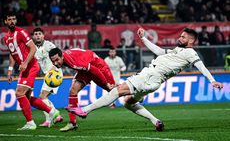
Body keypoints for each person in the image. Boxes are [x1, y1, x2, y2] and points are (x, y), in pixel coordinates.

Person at [65, 28, 224, 131]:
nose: (180, 37)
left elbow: (201, 66)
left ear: (191, 41)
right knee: (128, 102)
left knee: (117, 91)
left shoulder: (191, 53)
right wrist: (144, 39)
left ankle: (84, 111)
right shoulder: (178, 50)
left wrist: (212, 81)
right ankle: (156, 121)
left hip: (151, 75)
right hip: (154, 82)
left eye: (183, 37)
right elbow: (160, 51)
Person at [3, 12, 59, 130]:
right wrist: (10, 69)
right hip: (25, 68)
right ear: (5, 22)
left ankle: (30, 123)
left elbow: (33, 48)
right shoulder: (6, 37)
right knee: (26, 97)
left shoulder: (21, 32)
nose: (12, 21)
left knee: (19, 93)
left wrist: (25, 63)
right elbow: (12, 54)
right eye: (10, 19)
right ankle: (52, 112)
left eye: (14, 19)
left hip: (31, 66)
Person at [48, 47, 115, 132]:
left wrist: (106, 84)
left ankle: (133, 97)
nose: (56, 63)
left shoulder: (73, 62)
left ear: (62, 56)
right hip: (86, 70)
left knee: (114, 91)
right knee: (73, 91)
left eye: (57, 60)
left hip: (99, 67)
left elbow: (95, 70)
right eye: (53, 61)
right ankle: (72, 123)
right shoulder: (64, 59)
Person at [32, 27, 63, 127]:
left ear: (43, 36)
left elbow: (58, 58)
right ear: (33, 36)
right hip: (48, 75)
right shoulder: (34, 48)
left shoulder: (49, 45)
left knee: (42, 97)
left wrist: (52, 70)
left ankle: (54, 114)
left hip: (54, 74)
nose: (38, 35)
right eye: (36, 34)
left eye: (39, 33)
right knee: (43, 98)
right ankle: (50, 119)